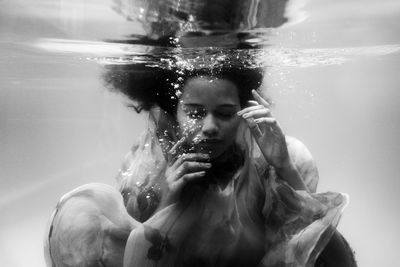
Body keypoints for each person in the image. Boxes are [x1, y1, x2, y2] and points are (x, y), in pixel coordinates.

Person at [44, 64, 356, 267]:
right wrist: (170, 201)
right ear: (174, 112)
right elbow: (137, 258)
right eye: (194, 112)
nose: (209, 127)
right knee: (80, 222)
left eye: (224, 113)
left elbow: (323, 255)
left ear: (245, 113)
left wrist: (284, 167)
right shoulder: (149, 168)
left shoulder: (276, 157)